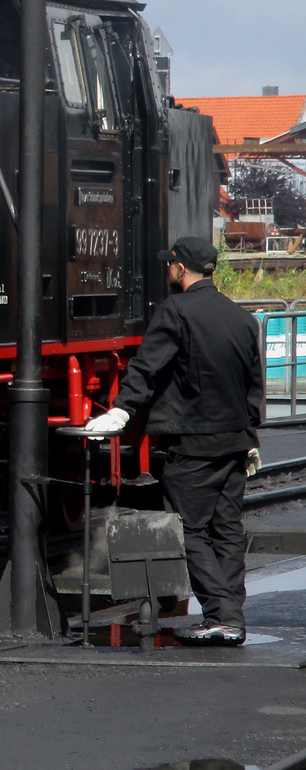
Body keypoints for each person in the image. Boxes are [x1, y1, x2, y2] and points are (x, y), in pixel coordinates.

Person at [84, 235, 263, 647]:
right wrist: (250, 437)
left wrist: (121, 410)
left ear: (181, 268)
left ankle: (220, 613)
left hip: (193, 443)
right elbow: (253, 388)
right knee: (228, 531)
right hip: (235, 442)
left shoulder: (176, 311)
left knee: (191, 530)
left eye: (171, 264)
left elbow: (147, 367)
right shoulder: (243, 319)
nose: (168, 269)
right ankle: (230, 617)